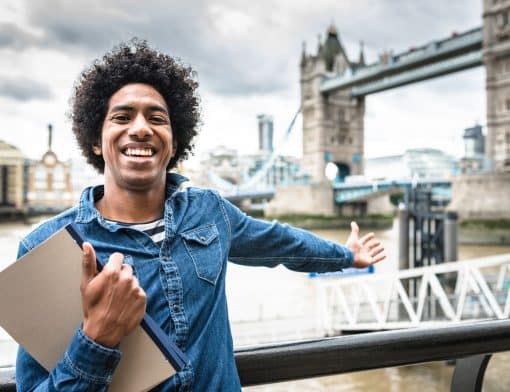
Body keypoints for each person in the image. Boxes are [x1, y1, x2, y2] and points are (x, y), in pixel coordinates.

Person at [15, 39, 385, 391]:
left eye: (157, 118)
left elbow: (281, 242)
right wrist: (95, 339)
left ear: (175, 141)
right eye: (122, 117)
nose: (141, 128)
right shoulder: (45, 248)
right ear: (96, 140)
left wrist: (347, 255)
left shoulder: (210, 212)